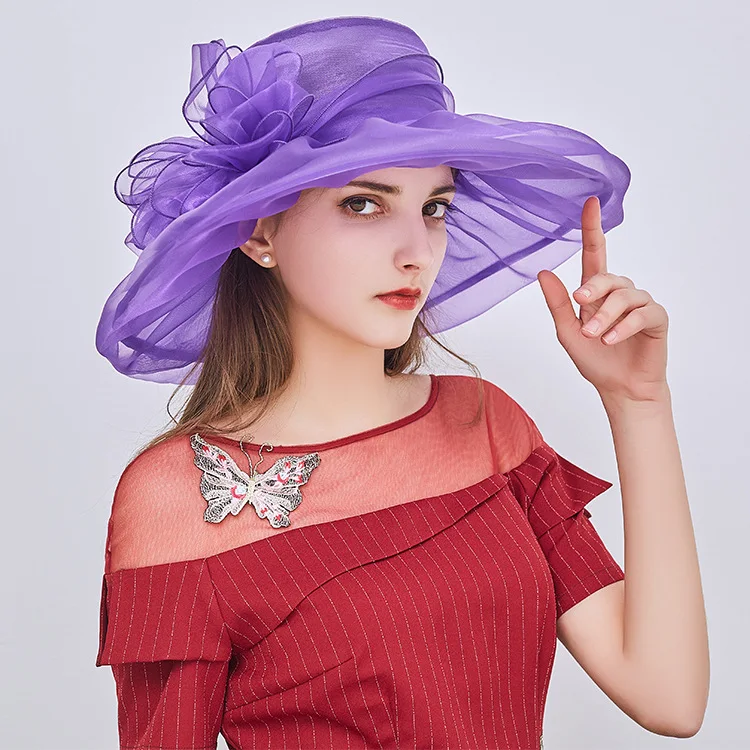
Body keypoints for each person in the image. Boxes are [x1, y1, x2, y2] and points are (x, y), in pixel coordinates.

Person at [94, 15, 708, 750]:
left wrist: (639, 403)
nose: (417, 251)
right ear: (259, 232)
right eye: (364, 204)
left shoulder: (485, 426)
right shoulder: (175, 496)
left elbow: (669, 697)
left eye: (434, 208)